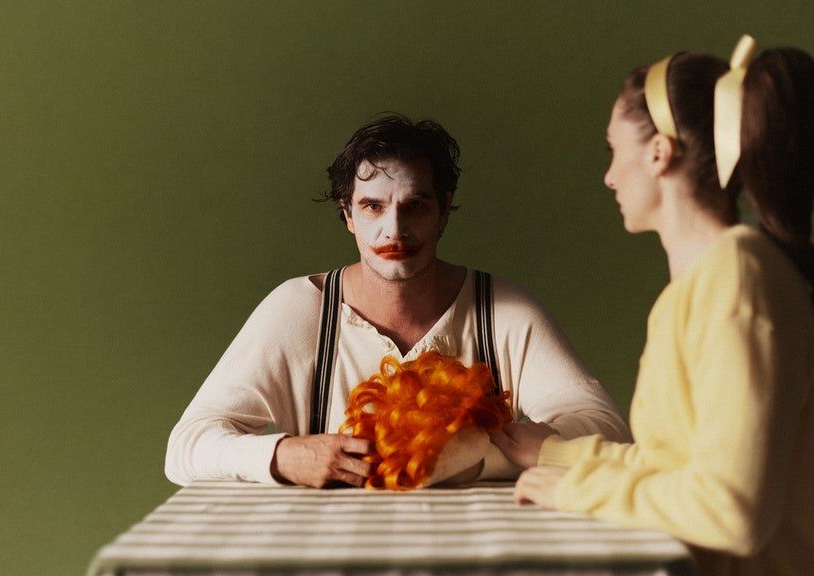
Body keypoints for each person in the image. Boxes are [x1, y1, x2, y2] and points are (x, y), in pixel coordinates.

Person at [495, 37, 814, 575]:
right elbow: (675, 462)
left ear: (658, 153)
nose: (609, 176)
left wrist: (575, 489)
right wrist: (557, 455)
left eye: (613, 150)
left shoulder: (737, 280)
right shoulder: (708, 281)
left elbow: (731, 512)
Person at [165, 114, 631, 489]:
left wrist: (468, 454)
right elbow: (185, 448)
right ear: (348, 215)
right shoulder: (300, 310)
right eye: (373, 206)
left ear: (443, 211)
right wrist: (283, 454)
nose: (395, 230)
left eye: (415, 206)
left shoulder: (503, 310)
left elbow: (606, 429)